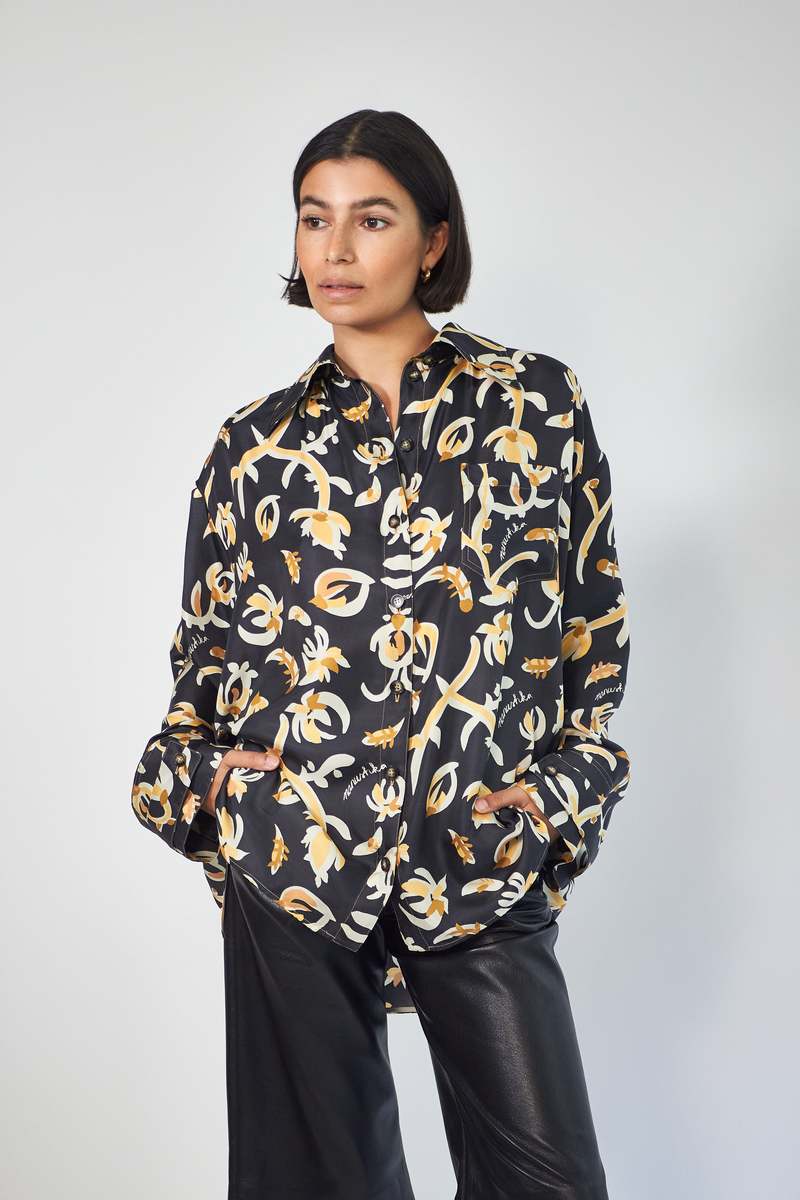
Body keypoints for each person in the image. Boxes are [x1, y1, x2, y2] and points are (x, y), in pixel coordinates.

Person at [131, 108, 632, 1199]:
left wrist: (555, 796)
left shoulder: (535, 406)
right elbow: (204, 657)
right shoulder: (254, 446)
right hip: (295, 854)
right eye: (314, 219)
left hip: (478, 845)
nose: (336, 249)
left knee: (548, 1179)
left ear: (434, 239)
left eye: (371, 219)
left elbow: (590, 635)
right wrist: (213, 782)